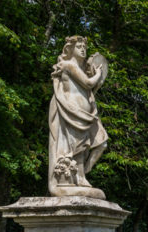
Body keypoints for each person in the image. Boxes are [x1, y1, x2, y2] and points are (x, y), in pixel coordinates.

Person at [48, 36, 108, 197]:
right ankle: (77, 177)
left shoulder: (81, 70)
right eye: (79, 46)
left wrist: (97, 80)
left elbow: (88, 90)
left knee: (101, 143)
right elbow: (88, 83)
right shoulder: (68, 65)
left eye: (84, 47)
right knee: (77, 149)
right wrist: (99, 74)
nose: (83, 49)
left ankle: (83, 173)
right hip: (72, 112)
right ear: (70, 49)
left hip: (86, 115)